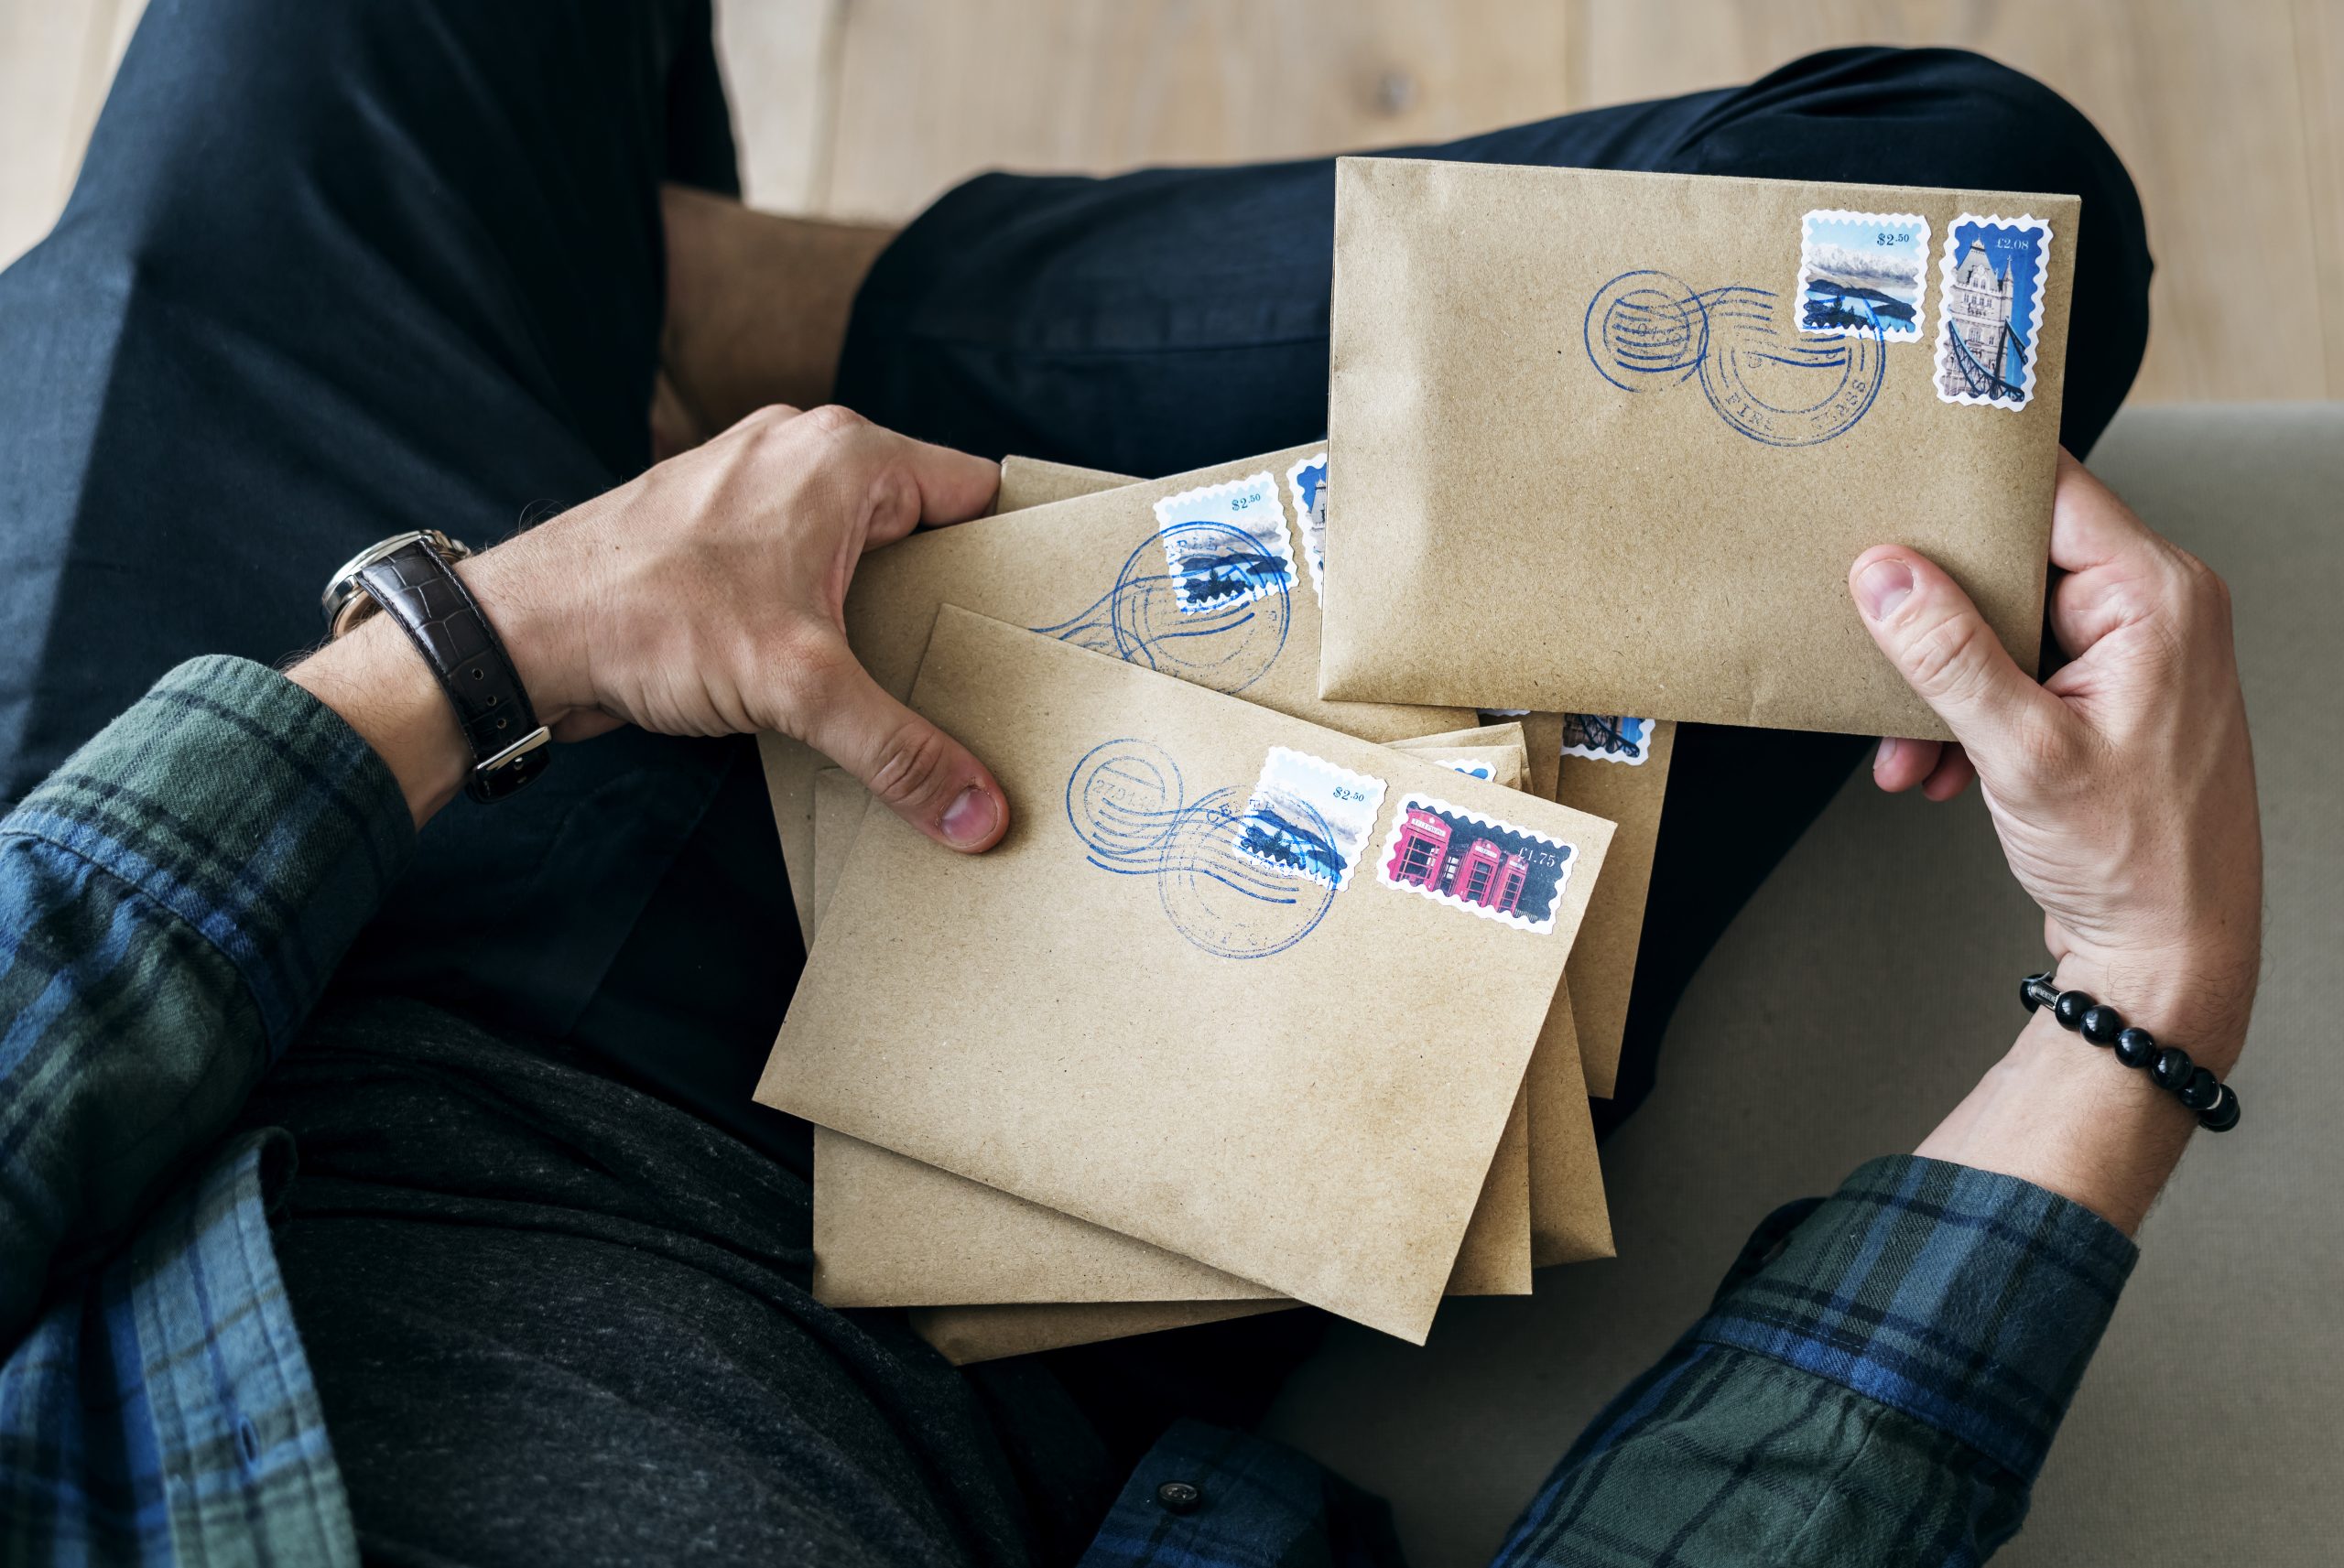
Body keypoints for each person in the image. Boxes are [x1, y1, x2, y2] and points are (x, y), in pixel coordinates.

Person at [0, 3, 2259, 1564]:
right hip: (1010, 1191)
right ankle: (692, 327)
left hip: (258, 989)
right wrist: (2129, 1000)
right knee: (1956, 223)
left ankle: (647, 357)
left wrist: (473, 642)